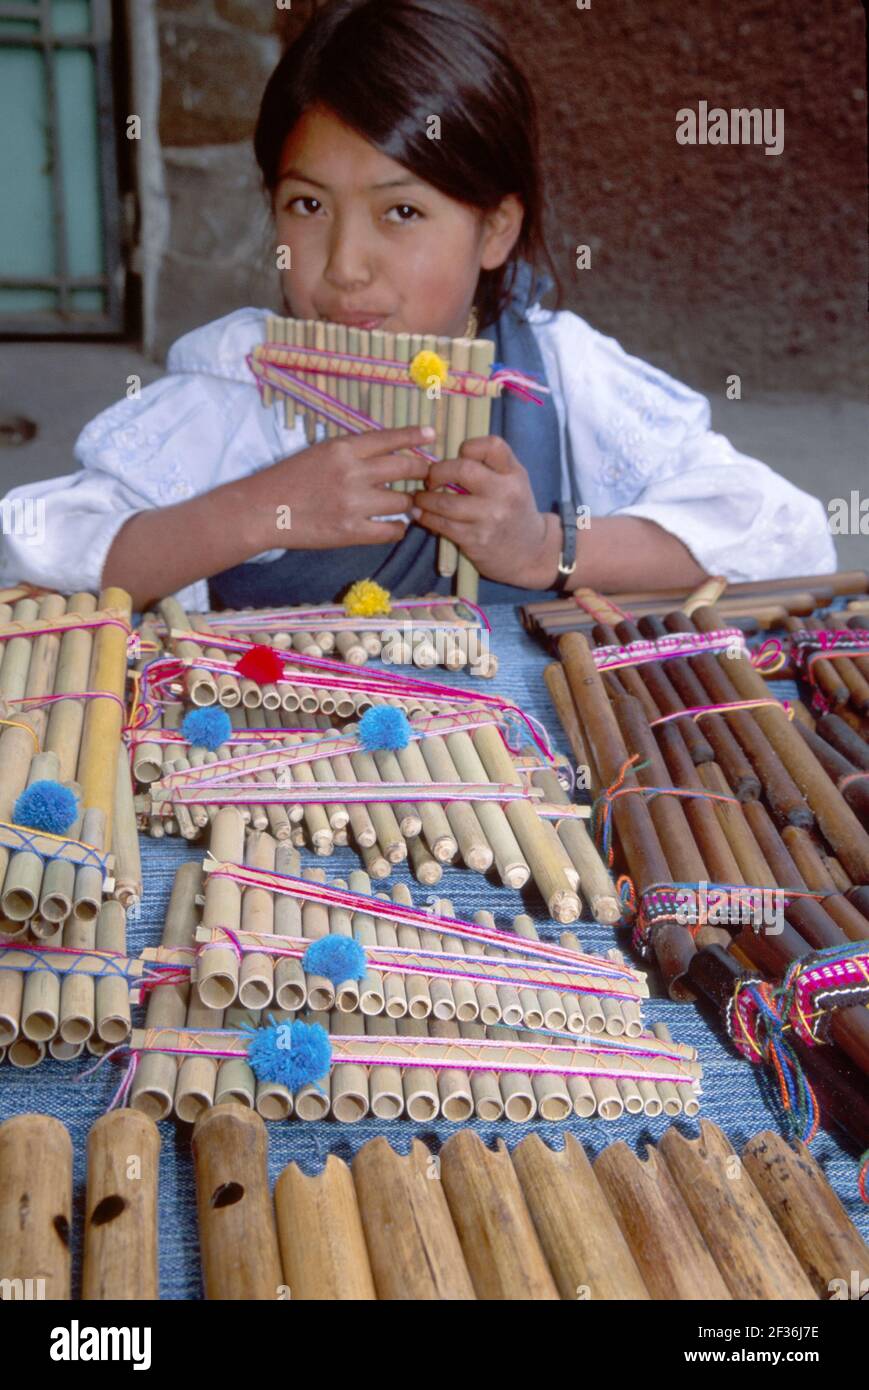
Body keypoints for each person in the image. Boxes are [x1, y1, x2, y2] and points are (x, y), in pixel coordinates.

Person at [0, 0, 835, 612]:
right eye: (307, 206)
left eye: (401, 212)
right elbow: (39, 550)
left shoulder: (556, 376)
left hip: (514, 801)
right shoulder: (238, 385)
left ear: (495, 229)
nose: (344, 268)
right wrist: (253, 511)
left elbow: (782, 536)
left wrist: (544, 548)